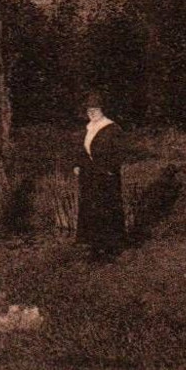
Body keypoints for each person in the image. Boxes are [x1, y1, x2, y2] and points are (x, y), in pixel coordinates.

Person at [73, 91, 125, 261]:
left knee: (106, 211)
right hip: (89, 176)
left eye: (95, 109)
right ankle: (95, 247)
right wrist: (77, 165)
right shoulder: (89, 128)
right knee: (91, 211)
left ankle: (110, 249)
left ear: (102, 109)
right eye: (89, 110)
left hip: (106, 177)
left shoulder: (111, 128)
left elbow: (119, 153)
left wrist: (110, 170)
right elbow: (83, 151)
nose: (92, 113)